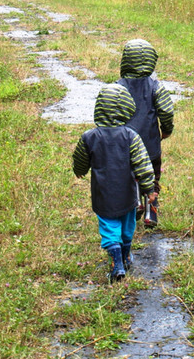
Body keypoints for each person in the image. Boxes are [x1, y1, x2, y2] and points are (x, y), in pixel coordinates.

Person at [72, 83, 157, 282]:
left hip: (103, 195)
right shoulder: (131, 137)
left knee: (109, 228)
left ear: (99, 108)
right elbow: (143, 165)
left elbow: (80, 160)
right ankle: (126, 256)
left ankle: (117, 263)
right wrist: (149, 189)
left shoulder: (89, 137)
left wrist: (79, 171)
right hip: (127, 194)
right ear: (127, 108)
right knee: (127, 227)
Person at [117, 39, 174, 227]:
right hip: (150, 145)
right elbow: (166, 110)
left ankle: (136, 201)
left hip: (124, 145)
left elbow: (108, 111)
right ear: (151, 61)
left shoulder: (117, 87)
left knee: (130, 173)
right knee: (153, 175)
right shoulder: (155, 86)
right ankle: (151, 212)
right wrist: (166, 130)